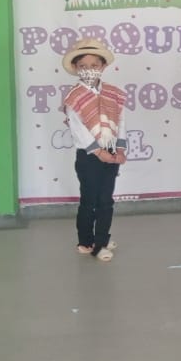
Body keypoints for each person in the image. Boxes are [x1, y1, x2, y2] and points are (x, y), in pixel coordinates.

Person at [60, 38, 128, 262]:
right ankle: (88, 242)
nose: (89, 70)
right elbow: (78, 130)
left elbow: (121, 122)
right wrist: (99, 153)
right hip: (89, 156)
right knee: (89, 200)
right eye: (83, 66)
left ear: (103, 66)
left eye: (94, 65)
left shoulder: (113, 93)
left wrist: (120, 149)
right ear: (76, 68)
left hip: (111, 151)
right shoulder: (74, 97)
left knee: (106, 200)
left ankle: (101, 239)